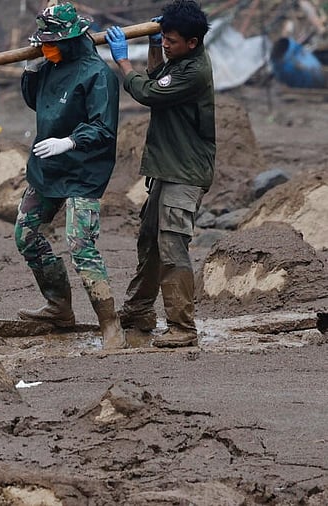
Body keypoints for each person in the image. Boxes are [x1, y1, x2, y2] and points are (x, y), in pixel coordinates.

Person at [105, 0, 214, 348]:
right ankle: (139, 312)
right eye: (164, 38)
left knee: (172, 245)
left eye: (171, 40)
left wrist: (122, 61)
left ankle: (183, 327)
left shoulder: (193, 71)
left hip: (186, 172)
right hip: (167, 168)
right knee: (150, 240)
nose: (166, 44)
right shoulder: (179, 62)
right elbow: (156, 76)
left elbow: (148, 92)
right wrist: (154, 45)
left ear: (192, 43)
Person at [15, 3, 125, 350]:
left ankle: (110, 323)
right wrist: (30, 72)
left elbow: (104, 128)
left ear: (71, 40)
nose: (46, 49)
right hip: (47, 167)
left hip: (83, 170)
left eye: (51, 44)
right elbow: (38, 102)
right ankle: (59, 307)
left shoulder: (98, 75)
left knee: (80, 245)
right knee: (27, 234)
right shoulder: (50, 65)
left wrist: (70, 141)